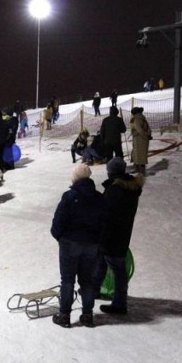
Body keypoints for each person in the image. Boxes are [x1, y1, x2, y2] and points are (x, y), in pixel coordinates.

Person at [50, 163, 106, 328]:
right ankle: (87, 315)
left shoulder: (69, 196)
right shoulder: (99, 198)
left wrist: (59, 236)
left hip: (70, 244)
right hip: (91, 245)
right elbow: (104, 222)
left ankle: (64, 315)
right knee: (87, 281)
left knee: (67, 280)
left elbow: (59, 220)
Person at [93, 157, 144, 315]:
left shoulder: (114, 191)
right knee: (103, 263)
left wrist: (101, 238)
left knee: (116, 269)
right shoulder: (131, 188)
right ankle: (94, 291)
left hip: (112, 236)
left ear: (111, 172)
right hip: (123, 234)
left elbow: (107, 216)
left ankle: (120, 304)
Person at [130, 107, 151, 174]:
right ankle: (139, 169)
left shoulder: (136, 119)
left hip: (139, 139)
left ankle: (140, 171)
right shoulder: (141, 117)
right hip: (142, 139)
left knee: (139, 155)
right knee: (141, 154)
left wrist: (145, 136)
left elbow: (139, 130)